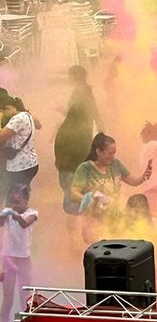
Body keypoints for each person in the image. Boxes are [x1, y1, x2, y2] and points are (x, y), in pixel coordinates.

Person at [69, 133, 152, 241]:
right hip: (96, 223)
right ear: (98, 151)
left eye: (114, 153)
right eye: (110, 153)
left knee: (139, 200)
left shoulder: (115, 164)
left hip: (116, 219)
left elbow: (132, 180)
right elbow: (74, 194)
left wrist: (144, 176)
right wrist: (92, 200)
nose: (112, 156)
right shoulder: (85, 168)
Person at [54, 65, 99, 214]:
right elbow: (93, 114)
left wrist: (64, 112)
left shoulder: (82, 93)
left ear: (75, 76)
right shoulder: (85, 91)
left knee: (74, 178)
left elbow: (80, 114)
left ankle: (77, 213)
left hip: (79, 140)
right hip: (82, 138)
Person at [0, 184, 36, 322]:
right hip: (9, 258)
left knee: (25, 298)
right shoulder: (7, 214)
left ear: (26, 200)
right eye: (12, 202)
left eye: (18, 202)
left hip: (24, 260)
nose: (15, 205)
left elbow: (24, 224)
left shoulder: (33, 213)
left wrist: (12, 213)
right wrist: (3, 214)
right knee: (7, 299)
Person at [0, 98, 37, 194]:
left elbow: (1, 137)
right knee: (20, 194)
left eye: (4, 110)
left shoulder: (18, 118)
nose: (4, 114)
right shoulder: (27, 115)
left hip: (19, 166)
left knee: (15, 197)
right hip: (28, 162)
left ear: (10, 107)